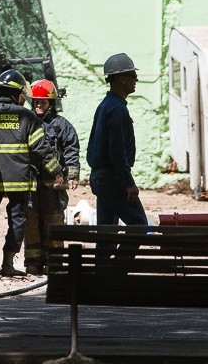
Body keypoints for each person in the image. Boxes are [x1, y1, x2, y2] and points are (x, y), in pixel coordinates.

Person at [0, 69, 64, 277]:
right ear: (18, 94)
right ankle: (8, 263)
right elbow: (41, 148)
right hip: (19, 180)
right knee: (17, 219)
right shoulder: (26, 117)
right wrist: (56, 171)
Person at [86, 53, 148, 268]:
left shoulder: (106, 106)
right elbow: (117, 151)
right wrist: (128, 182)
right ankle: (117, 270)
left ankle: (102, 275)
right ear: (121, 78)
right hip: (112, 178)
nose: (135, 80)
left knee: (107, 230)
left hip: (101, 177)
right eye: (133, 76)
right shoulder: (117, 109)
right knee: (139, 224)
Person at [23, 79, 81, 275]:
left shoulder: (62, 126)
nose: (39, 106)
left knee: (53, 222)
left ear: (52, 103)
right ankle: (33, 262)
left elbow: (72, 150)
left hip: (53, 185)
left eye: (43, 102)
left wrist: (72, 174)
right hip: (30, 183)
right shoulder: (26, 122)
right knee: (31, 221)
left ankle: (54, 262)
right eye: (36, 102)